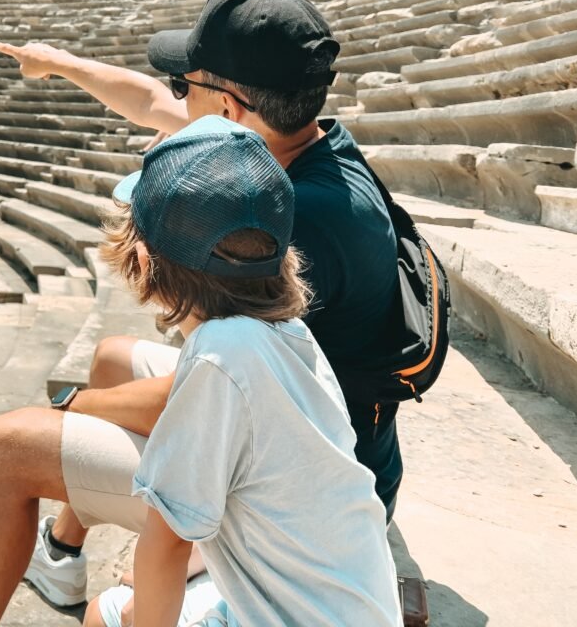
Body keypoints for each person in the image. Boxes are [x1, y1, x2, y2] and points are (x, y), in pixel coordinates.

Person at [0, 0, 401, 624]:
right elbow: (151, 103)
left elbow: (215, 391)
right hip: (310, 470)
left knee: (4, 448)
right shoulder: (278, 171)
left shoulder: (309, 225)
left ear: (234, 112)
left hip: (274, 476)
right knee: (112, 357)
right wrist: (60, 64)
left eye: (190, 87)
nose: (176, 100)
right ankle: (63, 548)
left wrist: (79, 406)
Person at [81, 116, 400, 627]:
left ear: (142, 260)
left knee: (104, 616)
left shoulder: (220, 355)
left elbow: (164, 546)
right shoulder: (288, 332)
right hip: (352, 608)